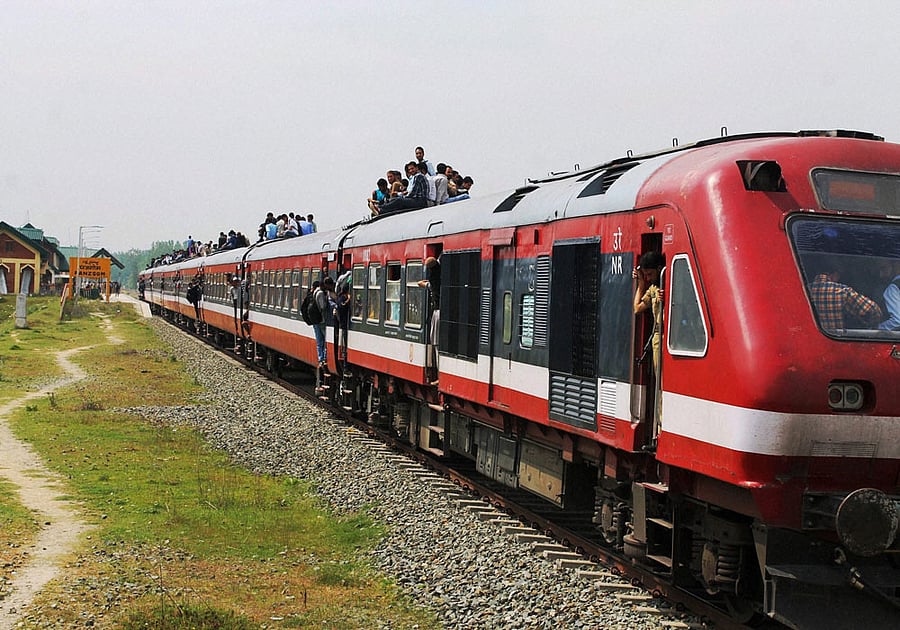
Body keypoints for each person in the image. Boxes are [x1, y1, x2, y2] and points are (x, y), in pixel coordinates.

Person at [809, 261, 882, 330]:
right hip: (835, 341)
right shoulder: (842, 291)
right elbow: (873, 311)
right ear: (835, 275)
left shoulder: (805, 289)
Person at [633, 252, 665, 375]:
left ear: (659, 269)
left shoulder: (671, 285)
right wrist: (641, 284)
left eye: (650, 274)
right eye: (646, 275)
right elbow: (637, 308)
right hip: (657, 338)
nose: (648, 278)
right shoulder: (653, 289)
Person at [417, 257, 441, 384]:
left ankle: (439, 375)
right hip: (441, 311)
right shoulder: (441, 271)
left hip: (438, 312)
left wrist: (423, 284)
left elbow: (431, 286)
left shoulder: (433, 277)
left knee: (436, 342)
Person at [313, 277, 336, 368]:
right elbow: (322, 306)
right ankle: (323, 358)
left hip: (316, 320)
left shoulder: (315, 291)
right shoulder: (320, 293)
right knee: (324, 340)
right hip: (321, 320)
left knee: (319, 341)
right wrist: (328, 300)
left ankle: (321, 358)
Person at [878, 259, 900, 331]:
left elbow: (897, 321)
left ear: (896, 265)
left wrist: (877, 329)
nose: (881, 275)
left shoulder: (893, 288)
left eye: (884, 268)